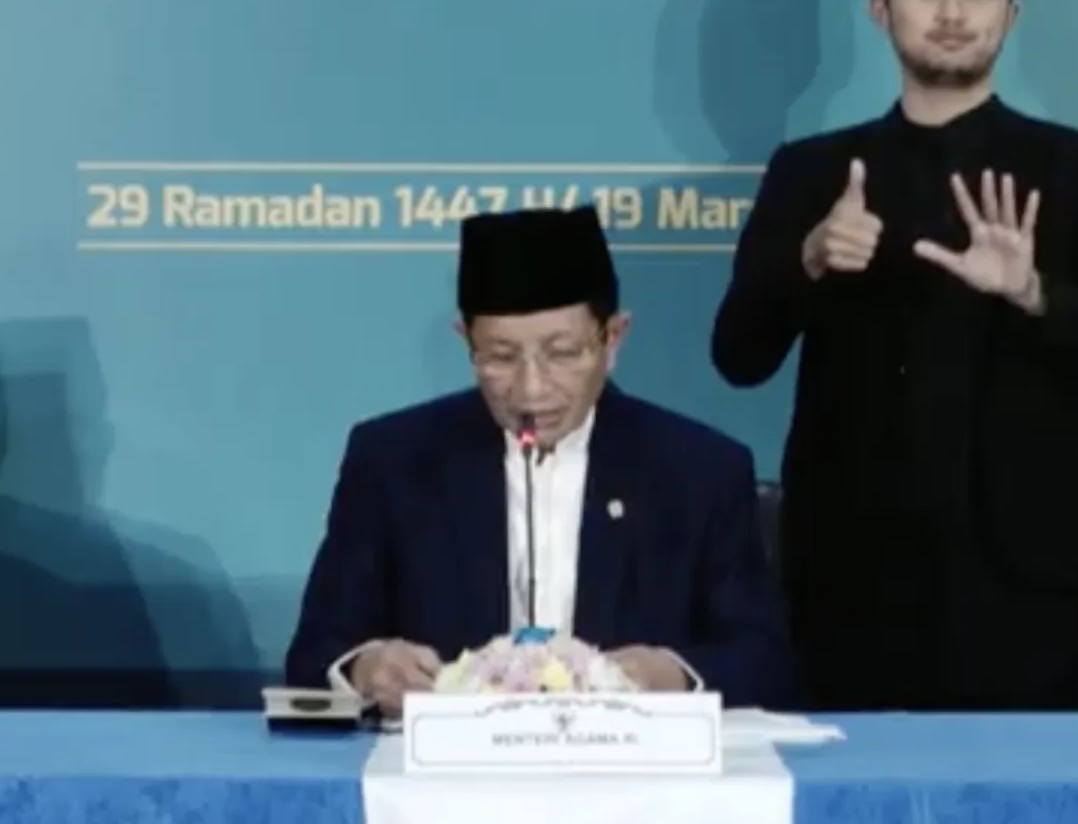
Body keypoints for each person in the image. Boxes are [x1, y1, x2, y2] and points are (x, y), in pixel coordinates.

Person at [710, 0, 1078, 711]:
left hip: (1027, 578)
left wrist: (1034, 291)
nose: (953, 14)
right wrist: (809, 259)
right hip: (849, 575)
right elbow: (738, 355)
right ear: (880, 10)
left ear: (1012, 13)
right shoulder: (812, 172)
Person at [285, 206, 794, 711]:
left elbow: (763, 662)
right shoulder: (393, 461)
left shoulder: (699, 470)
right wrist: (365, 667)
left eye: (562, 353)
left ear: (613, 339)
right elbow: (316, 653)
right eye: (501, 357)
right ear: (467, 342)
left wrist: (674, 675)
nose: (531, 390)